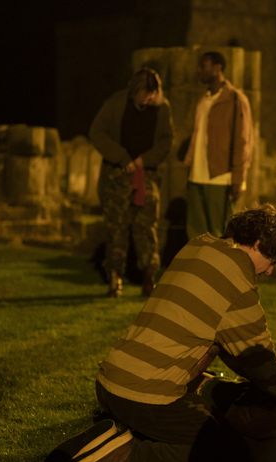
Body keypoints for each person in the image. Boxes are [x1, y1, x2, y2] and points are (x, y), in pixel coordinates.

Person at [26, 205, 276, 462]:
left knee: (203, 409)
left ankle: (116, 426)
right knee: (226, 450)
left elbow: (224, 342)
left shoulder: (199, 245)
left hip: (111, 381)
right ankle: (125, 450)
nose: (270, 271)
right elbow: (256, 355)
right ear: (258, 244)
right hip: (144, 395)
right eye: (272, 260)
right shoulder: (238, 279)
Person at [90, 67, 173, 297]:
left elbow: (166, 141)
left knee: (146, 227)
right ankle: (115, 277)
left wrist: (143, 160)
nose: (149, 98)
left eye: (153, 93)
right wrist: (122, 157)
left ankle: (149, 276)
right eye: (145, 93)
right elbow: (97, 132)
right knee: (116, 227)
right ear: (135, 90)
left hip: (146, 175)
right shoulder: (116, 104)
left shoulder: (162, 109)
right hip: (117, 176)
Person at [183, 51, 253, 239]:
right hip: (196, 176)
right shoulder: (203, 100)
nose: (199, 71)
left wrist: (238, 177)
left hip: (220, 177)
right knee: (197, 234)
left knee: (220, 234)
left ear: (217, 68)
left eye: (203, 66)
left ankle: (221, 269)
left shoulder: (235, 99)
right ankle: (198, 268)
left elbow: (242, 141)